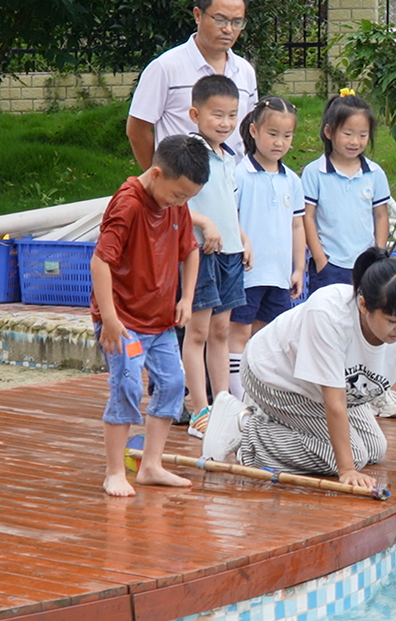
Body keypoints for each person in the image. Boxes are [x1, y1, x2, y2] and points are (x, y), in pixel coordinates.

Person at [201, 248, 396, 499]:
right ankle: (244, 431)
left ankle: (266, 426)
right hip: (276, 377)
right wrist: (346, 470)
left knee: (374, 448)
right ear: (364, 304)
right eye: (391, 320)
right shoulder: (330, 314)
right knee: (336, 456)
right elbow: (333, 403)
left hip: (329, 392)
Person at [90, 135, 210, 496]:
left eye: (188, 197)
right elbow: (100, 262)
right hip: (123, 321)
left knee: (173, 383)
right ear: (156, 174)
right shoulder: (128, 204)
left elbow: (190, 251)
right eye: (177, 195)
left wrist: (186, 298)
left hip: (160, 321)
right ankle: (115, 471)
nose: (181, 203)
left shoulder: (177, 204)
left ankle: (152, 464)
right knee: (126, 385)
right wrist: (110, 319)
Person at [181, 74, 253, 439]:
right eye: (217, 115)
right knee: (197, 331)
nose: (224, 123)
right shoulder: (189, 153)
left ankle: (223, 403)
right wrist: (204, 223)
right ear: (195, 114)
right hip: (200, 254)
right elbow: (172, 201)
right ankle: (199, 409)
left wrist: (241, 236)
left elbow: (228, 205)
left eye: (231, 116)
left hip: (229, 253)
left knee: (222, 331)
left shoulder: (229, 156)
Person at [127, 0, 258, 169]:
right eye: (220, 19)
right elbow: (137, 130)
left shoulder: (245, 71)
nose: (228, 29)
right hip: (180, 191)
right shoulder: (165, 67)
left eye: (237, 22)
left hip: (233, 188)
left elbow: (247, 131)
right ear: (198, 15)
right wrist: (160, 181)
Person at [227, 96, 306, 402]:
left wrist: (298, 267)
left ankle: (258, 394)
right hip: (247, 273)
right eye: (272, 134)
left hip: (278, 275)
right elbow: (230, 218)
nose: (279, 142)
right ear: (254, 131)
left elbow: (297, 225)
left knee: (265, 338)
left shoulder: (292, 181)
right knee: (239, 334)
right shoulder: (239, 174)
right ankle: (238, 398)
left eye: (287, 136)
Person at [301, 93, 391, 296]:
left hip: (366, 265)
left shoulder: (374, 173)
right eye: (348, 133)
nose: (355, 142)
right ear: (329, 131)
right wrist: (320, 258)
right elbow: (308, 216)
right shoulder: (314, 172)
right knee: (326, 320)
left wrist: (378, 253)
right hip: (329, 264)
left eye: (362, 135)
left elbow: (381, 215)